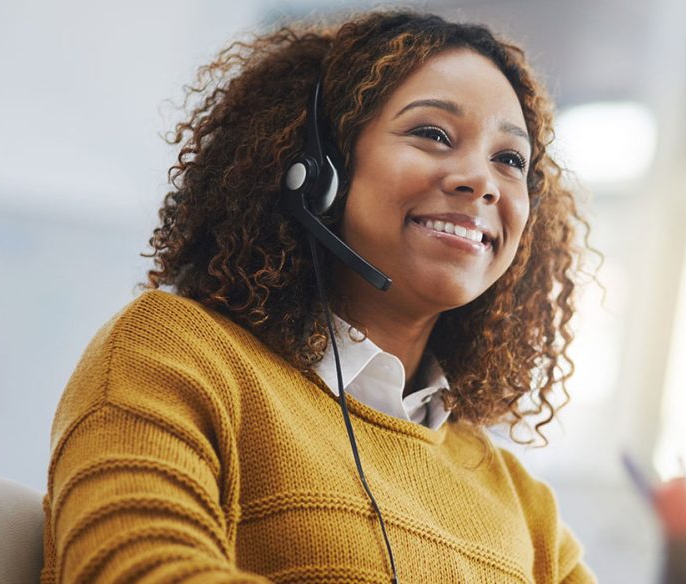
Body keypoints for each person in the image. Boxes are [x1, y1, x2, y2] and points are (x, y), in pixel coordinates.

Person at [41, 10, 596, 583]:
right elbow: (133, 571)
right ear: (316, 168)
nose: (480, 180)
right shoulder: (173, 352)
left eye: (509, 160)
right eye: (432, 134)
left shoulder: (524, 505)